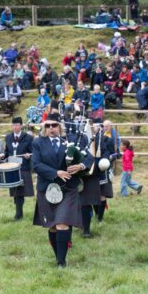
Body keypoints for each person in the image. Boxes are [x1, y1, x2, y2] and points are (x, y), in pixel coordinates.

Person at [32, 113, 92, 267]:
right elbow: (36, 165)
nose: (51, 128)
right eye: (48, 125)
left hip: (68, 189)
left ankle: (61, 262)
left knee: (62, 223)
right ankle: (58, 255)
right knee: (52, 226)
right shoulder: (38, 143)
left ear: (60, 126)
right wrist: (55, 173)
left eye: (54, 125)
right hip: (47, 189)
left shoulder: (72, 140)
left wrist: (81, 166)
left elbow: (90, 157)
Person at [80, 121, 116, 238]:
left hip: (98, 171)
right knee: (85, 201)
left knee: (100, 196)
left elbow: (108, 152)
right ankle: (85, 226)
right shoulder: (81, 137)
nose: (95, 128)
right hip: (82, 172)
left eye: (98, 126)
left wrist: (104, 160)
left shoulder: (102, 138)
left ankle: (99, 217)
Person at [2, 116, 34, 220]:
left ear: (21, 126)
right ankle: (18, 210)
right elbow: (7, 152)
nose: (15, 127)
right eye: (13, 125)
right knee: (15, 191)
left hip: (23, 167)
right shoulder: (8, 137)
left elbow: (33, 152)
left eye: (17, 125)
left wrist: (29, 155)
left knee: (20, 191)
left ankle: (18, 214)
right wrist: (3, 155)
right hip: (12, 167)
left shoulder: (28, 138)